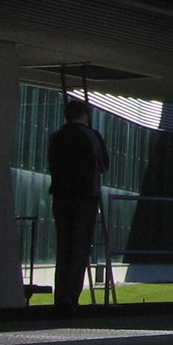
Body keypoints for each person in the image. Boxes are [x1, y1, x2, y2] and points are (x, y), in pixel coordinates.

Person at [47, 97, 109, 313]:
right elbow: (104, 165)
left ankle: (60, 296)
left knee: (64, 247)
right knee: (80, 248)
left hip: (61, 197)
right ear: (85, 115)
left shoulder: (56, 138)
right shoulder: (92, 136)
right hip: (85, 197)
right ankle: (71, 297)